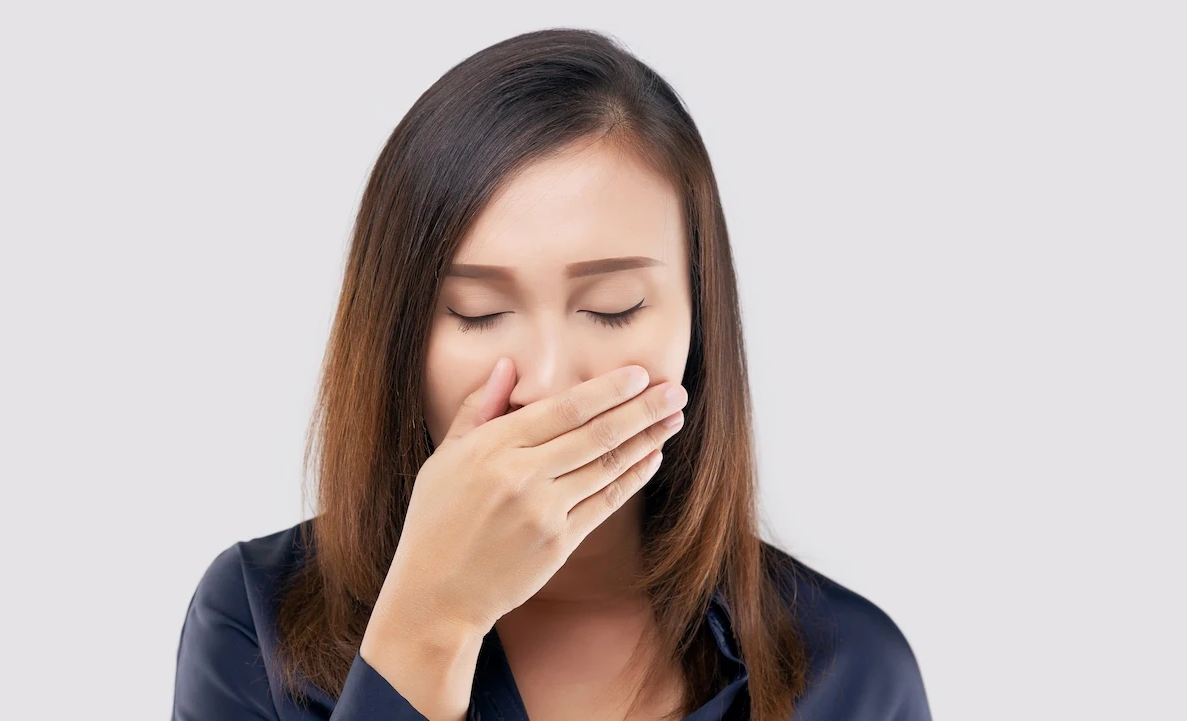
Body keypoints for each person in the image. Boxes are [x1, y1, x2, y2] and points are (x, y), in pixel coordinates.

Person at [171, 27, 932, 721]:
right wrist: (428, 627)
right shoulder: (255, 623)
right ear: (397, 336)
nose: (545, 381)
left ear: (699, 322)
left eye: (613, 307)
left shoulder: (853, 672)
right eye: (477, 313)